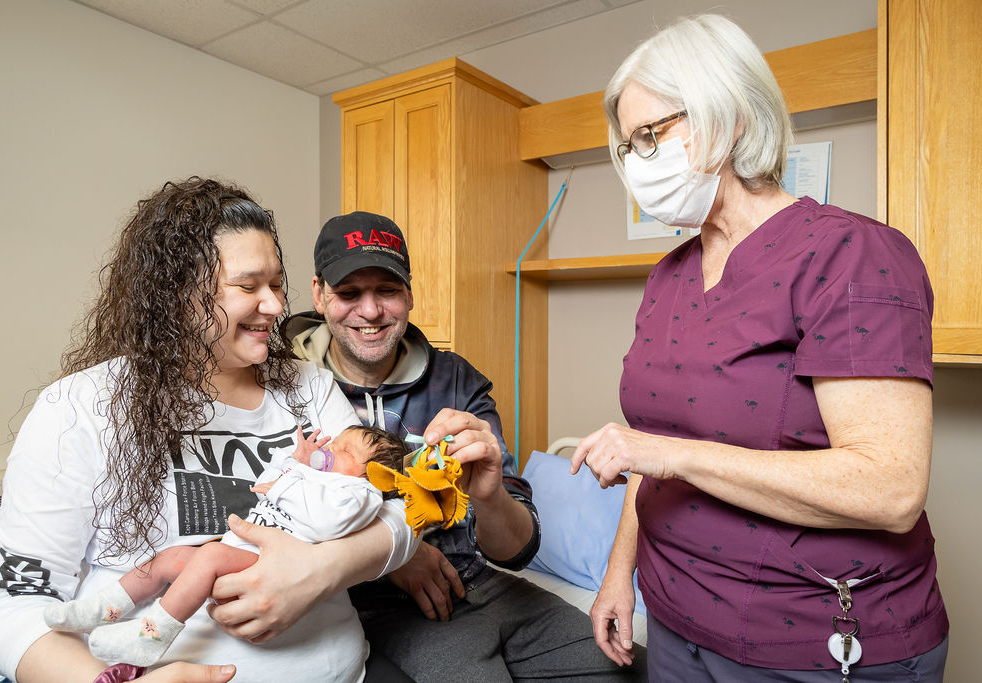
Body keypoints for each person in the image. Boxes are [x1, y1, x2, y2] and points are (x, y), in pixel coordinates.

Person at [569, 13, 948, 681]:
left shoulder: (850, 254)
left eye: (652, 134)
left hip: (813, 639)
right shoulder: (669, 276)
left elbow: (891, 488)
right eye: (630, 147)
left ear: (730, 116)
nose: (638, 162)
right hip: (678, 620)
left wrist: (666, 453)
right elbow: (649, 442)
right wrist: (618, 573)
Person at [0, 178, 419, 683]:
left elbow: (400, 512)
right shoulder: (81, 407)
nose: (275, 306)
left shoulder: (309, 386)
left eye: (275, 283)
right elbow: (12, 605)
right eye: (248, 287)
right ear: (174, 295)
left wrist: (324, 570)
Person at [283, 210, 644, 680]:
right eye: (349, 293)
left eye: (387, 291)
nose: (370, 312)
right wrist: (396, 555)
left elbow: (516, 551)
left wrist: (491, 494)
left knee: (632, 669)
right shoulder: (287, 388)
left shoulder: (457, 381)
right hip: (377, 608)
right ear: (319, 294)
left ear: (409, 292)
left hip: (486, 586)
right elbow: (277, 514)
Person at [43, 425, 406, 670]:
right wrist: (293, 463)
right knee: (172, 558)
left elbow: (328, 521)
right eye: (334, 441)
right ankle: (103, 610)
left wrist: (290, 482)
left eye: (344, 450)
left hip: (270, 565)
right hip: (244, 549)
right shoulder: (318, 475)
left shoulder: (360, 494)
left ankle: (151, 635)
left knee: (211, 555)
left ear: (372, 473)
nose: (330, 449)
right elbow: (263, 485)